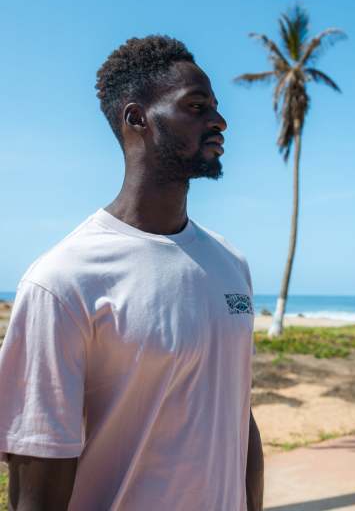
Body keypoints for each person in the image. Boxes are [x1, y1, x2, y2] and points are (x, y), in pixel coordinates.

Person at [0, 35, 264, 510]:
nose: (219, 121)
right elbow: (39, 472)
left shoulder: (231, 263)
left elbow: (238, 416)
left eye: (215, 107)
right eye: (196, 106)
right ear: (137, 118)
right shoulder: (63, 281)